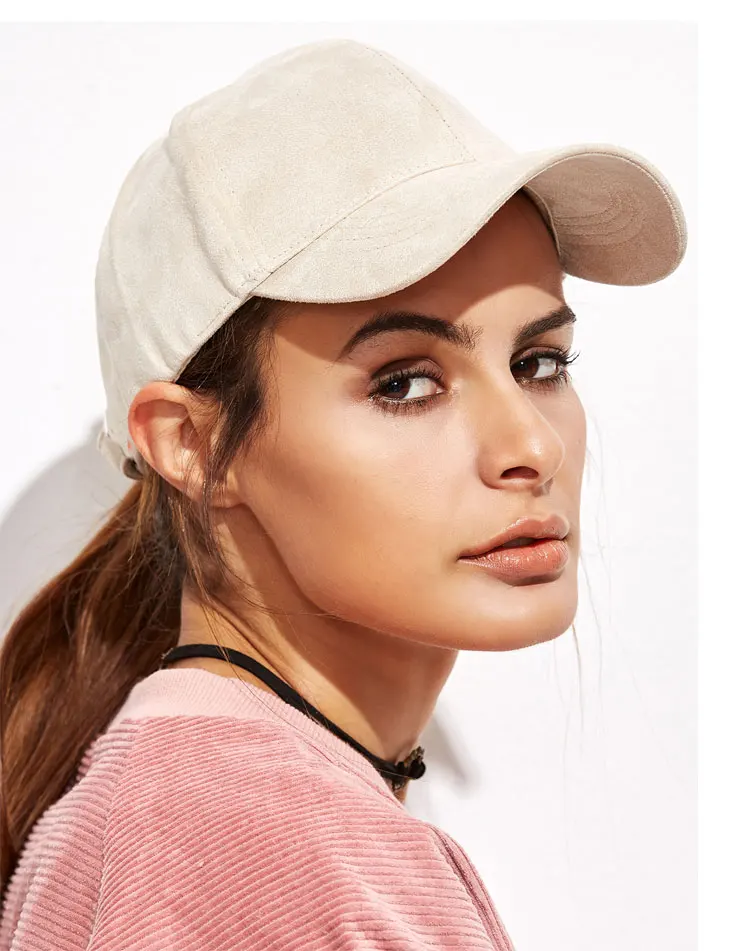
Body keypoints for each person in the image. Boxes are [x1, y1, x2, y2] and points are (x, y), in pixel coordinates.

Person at [0, 37, 687, 950]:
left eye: (539, 363)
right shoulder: (235, 840)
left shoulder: (223, 813)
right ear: (192, 446)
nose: (532, 445)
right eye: (405, 383)